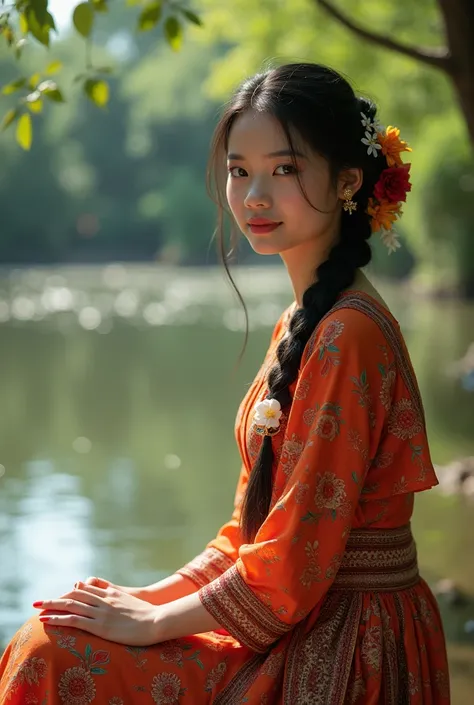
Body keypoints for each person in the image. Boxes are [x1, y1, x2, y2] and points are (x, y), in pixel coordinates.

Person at [0, 63, 450, 704]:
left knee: (53, 657)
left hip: (343, 637)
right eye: (240, 171)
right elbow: (249, 533)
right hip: (296, 613)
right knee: (50, 635)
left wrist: (154, 623)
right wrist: (145, 597)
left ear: (349, 179)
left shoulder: (347, 335)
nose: (255, 195)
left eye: (284, 169)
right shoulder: (304, 321)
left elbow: (293, 563)